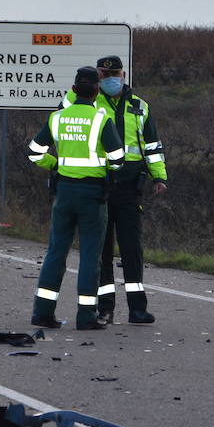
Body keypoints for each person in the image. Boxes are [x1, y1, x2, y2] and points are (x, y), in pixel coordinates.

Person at [26, 67, 126, 330]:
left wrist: (56, 165)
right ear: (97, 91)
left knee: (56, 251)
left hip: (64, 192)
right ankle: (86, 315)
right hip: (93, 194)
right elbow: (118, 160)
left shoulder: (57, 117)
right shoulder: (101, 120)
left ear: (73, 90)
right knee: (91, 255)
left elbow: (34, 152)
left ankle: (43, 312)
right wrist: (104, 167)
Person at [93, 54, 168, 324]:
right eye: (104, 74)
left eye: (115, 75)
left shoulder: (140, 106)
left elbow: (152, 146)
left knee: (131, 248)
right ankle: (105, 308)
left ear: (123, 75)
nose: (111, 79)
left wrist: (159, 177)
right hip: (98, 185)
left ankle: (137, 309)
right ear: (97, 76)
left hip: (130, 187)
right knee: (101, 249)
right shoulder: (89, 103)